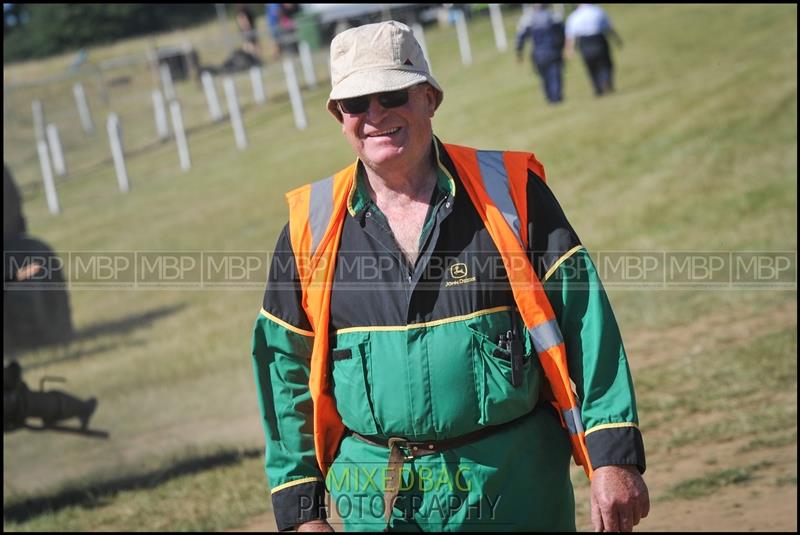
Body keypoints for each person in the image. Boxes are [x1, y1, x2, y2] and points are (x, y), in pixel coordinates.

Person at [251, 20, 649, 532]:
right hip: (375, 498)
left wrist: (613, 455)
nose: (375, 115)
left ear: (429, 97)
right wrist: (301, 512)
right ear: (338, 116)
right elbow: (283, 371)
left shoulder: (511, 192)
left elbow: (586, 321)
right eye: (356, 104)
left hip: (514, 485)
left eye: (391, 94)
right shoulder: (310, 225)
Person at [4, 359, 97, 432]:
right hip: (18, 404)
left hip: (18, 403)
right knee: (30, 402)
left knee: (30, 402)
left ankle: (83, 409)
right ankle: (84, 409)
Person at [565, 4, 623, 96]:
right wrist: (617, 39)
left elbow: (571, 36)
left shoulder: (574, 16)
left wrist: (569, 50)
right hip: (598, 39)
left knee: (591, 67)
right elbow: (608, 27)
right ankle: (606, 83)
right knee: (605, 64)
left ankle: (597, 88)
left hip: (585, 42)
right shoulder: (597, 11)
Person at [515, 4, 567, 104]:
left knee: (544, 76)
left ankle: (550, 98)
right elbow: (563, 32)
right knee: (555, 74)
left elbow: (520, 38)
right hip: (553, 51)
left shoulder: (527, 19)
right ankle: (556, 98)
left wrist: (519, 52)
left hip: (538, 53)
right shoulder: (553, 16)